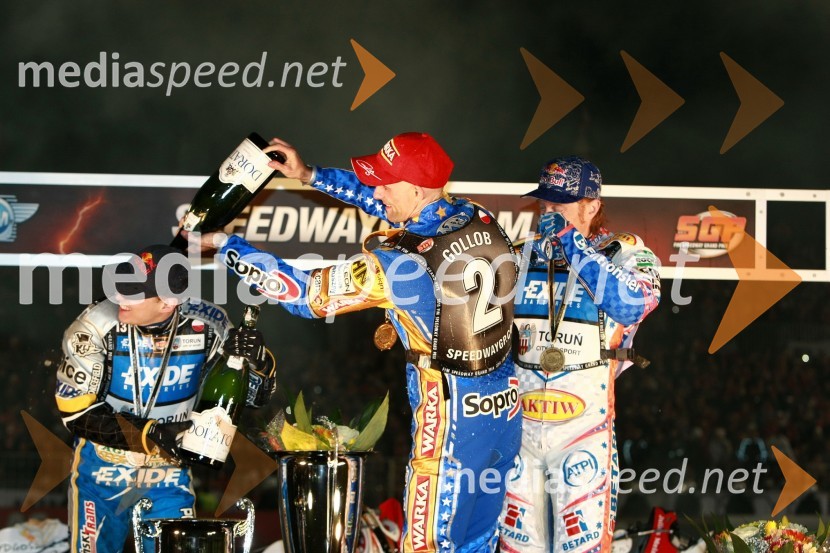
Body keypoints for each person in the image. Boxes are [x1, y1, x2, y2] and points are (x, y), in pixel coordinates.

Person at [188, 132, 522, 552]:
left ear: (417, 188)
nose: (376, 191)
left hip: (450, 422)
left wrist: (224, 245)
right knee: (480, 541)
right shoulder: (476, 215)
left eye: (385, 181)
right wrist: (309, 174)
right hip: (503, 410)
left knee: (428, 546)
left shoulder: (399, 264)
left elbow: (304, 295)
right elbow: (389, 207)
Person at [55, 244, 276, 553]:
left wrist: (260, 364)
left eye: (132, 292)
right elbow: (75, 413)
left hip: (167, 472)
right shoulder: (94, 324)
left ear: (168, 302)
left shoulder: (210, 325)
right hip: (101, 470)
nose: (119, 297)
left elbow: (251, 399)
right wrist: (152, 434)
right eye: (120, 285)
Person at [498, 157, 661, 552]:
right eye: (544, 203)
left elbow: (633, 304)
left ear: (591, 206)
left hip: (584, 427)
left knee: (581, 547)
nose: (549, 212)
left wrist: (572, 243)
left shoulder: (624, 251)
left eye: (561, 204)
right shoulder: (519, 254)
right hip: (519, 426)